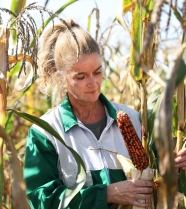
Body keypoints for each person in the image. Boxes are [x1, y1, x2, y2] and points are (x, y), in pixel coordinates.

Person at [23, 19, 186, 209]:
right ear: (61, 76)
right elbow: (42, 200)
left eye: (97, 72)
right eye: (81, 77)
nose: (93, 83)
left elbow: (168, 171)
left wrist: (180, 162)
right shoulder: (46, 133)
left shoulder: (134, 119)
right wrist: (108, 194)